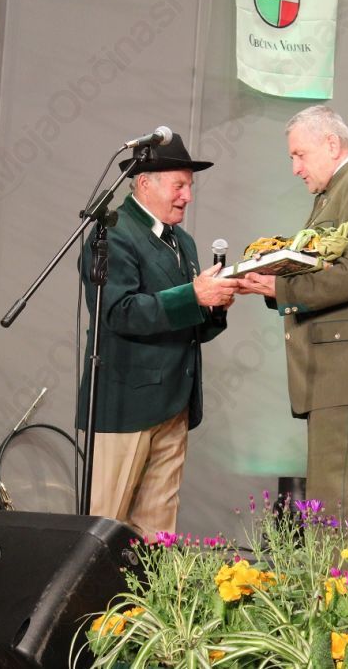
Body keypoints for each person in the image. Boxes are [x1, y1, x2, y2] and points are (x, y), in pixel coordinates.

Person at [237, 105, 348, 538]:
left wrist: (281, 288)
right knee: (346, 517)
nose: (295, 168)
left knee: (334, 515)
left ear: (331, 144)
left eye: (299, 155)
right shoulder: (340, 190)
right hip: (346, 373)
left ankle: (334, 587)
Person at [77, 133, 237, 538]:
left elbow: (187, 324)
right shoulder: (113, 233)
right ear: (145, 183)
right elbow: (119, 312)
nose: (188, 197)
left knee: (157, 532)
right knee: (103, 527)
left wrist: (215, 304)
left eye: (190, 187)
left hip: (174, 406)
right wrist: (193, 295)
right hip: (125, 406)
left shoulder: (183, 242)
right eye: (179, 186)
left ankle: (148, 585)